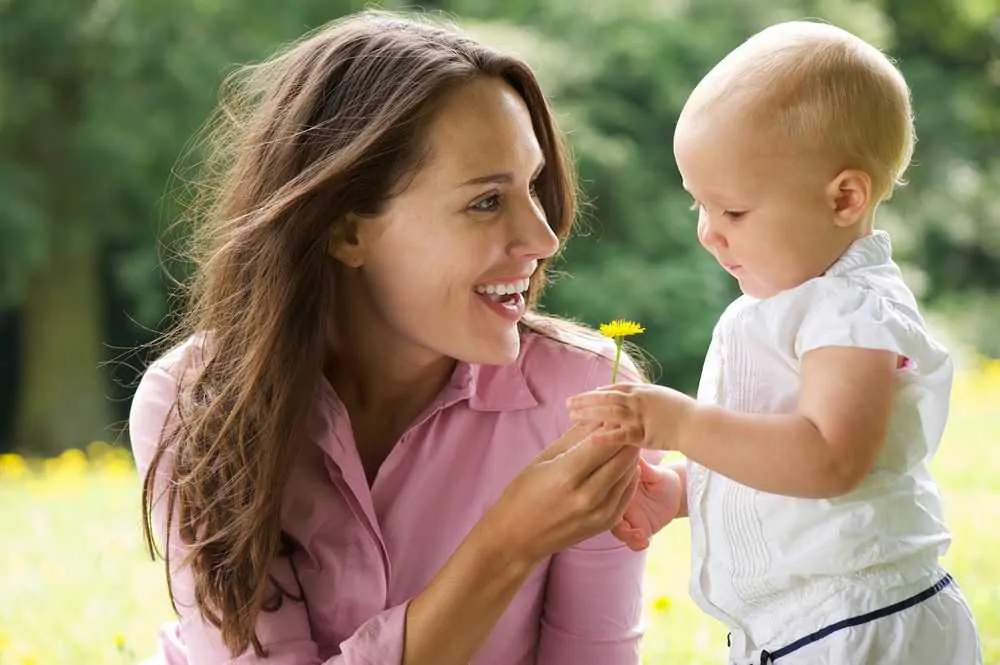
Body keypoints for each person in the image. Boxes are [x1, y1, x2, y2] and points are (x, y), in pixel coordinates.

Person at [129, 9, 653, 665]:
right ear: (347, 231)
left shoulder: (585, 396)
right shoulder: (198, 403)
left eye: (532, 187)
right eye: (486, 201)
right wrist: (506, 543)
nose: (543, 238)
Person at [566, 20, 983, 665]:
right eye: (697, 206)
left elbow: (827, 459)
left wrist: (679, 422)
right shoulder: (798, 303)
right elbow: (776, 451)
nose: (709, 233)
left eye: (733, 211)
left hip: (860, 621)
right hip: (805, 626)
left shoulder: (852, 310)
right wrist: (683, 489)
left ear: (844, 198)